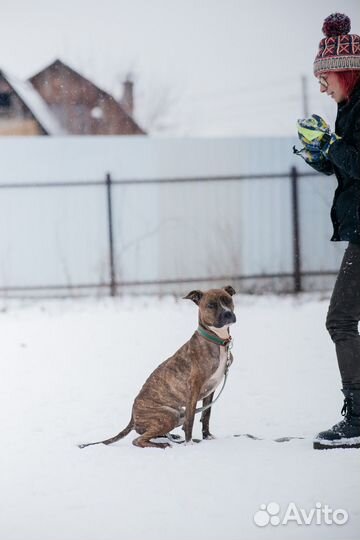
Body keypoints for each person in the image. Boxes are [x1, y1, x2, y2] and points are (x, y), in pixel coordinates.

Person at [294, 12, 360, 450]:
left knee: (340, 318)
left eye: (325, 79)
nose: (321, 87)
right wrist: (319, 153)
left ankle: (357, 418)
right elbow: (348, 167)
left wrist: (333, 146)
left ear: (344, 73)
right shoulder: (348, 110)